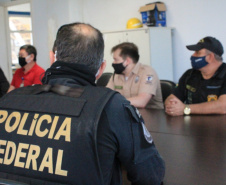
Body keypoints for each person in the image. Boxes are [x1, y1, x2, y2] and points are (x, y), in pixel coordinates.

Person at [0, 23, 165, 185]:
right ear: (101, 69)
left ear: (52, 58)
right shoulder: (111, 106)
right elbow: (150, 175)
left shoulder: (7, 100)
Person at [165, 36, 226, 116]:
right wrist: (171, 105)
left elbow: (223, 107)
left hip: (219, 127)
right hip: (190, 126)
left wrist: (186, 108)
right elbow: (172, 97)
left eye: (197, 52)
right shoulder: (189, 74)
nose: (193, 55)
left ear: (210, 57)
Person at [106, 42, 163, 109]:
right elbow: (107, 95)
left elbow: (142, 101)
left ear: (127, 61)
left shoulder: (147, 73)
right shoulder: (116, 75)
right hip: (127, 113)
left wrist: (116, 102)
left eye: (116, 60)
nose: (113, 62)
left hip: (151, 115)